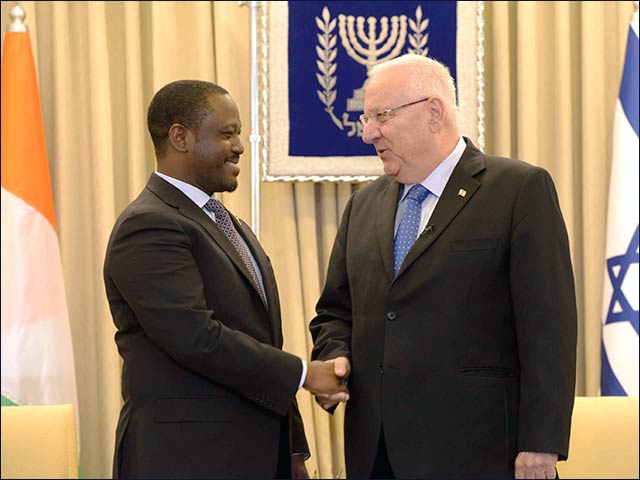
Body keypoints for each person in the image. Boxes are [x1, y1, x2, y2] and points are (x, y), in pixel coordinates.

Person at [309, 54, 577, 479]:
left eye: (381, 115)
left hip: (478, 451)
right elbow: (335, 312)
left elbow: (549, 327)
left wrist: (540, 444)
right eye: (366, 118)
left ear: (433, 112)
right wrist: (335, 357)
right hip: (376, 453)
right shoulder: (363, 204)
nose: (367, 133)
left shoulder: (518, 189)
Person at [104, 80, 347, 479]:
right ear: (180, 137)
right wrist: (304, 374)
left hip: (258, 456)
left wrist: (293, 451)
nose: (239, 146)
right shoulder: (148, 225)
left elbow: (261, 343)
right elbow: (196, 338)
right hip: (186, 460)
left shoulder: (227, 224)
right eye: (227, 134)